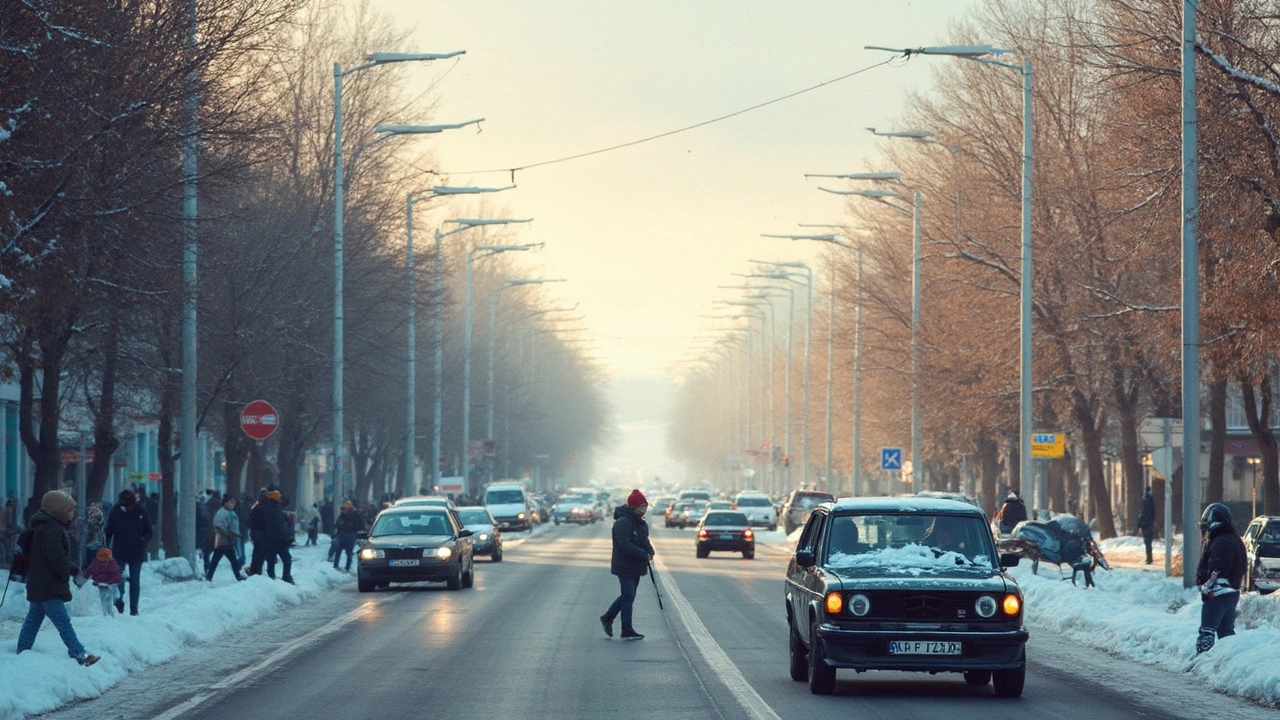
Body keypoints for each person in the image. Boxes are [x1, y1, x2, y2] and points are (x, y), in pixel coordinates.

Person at [15, 490, 100, 666]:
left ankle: (22, 653)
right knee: (63, 622)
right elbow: (56, 558)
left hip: (41, 584)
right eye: (69, 510)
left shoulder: (49, 526)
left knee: (32, 621)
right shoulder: (49, 529)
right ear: (58, 510)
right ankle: (78, 654)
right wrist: (75, 572)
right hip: (48, 585)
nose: (72, 514)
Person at [600, 489, 655, 641]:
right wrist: (642, 554)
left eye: (645, 506)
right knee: (629, 595)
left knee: (627, 596)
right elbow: (624, 544)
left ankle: (608, 617)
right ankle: (626, 628)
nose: (643, 510)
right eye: (640, 507)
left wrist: (650, 551)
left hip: (636, 565)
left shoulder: (641, 523)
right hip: (624, 565)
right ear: (632, 507)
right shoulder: (622, 523)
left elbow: (645, 541)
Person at [1194, 503, 1247, 654]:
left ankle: (1202, 661)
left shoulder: (1221, 541)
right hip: (1232, 592)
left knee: (1207, 631)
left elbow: (1218, 570)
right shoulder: (1235, 539)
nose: (1204, 531)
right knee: (1226, 634)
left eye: (1205, 527)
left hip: (1217, 593)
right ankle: (1229, 661)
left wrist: (1207, 585)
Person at [104, 489, 153, 616]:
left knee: (134, 580)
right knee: (118, 577)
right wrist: (104, 546)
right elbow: (108, 531)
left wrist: (143, 542)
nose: (127, 509)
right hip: (119, 551)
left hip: (137, 551)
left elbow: (148, 531)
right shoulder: (115, 511)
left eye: (129, 506)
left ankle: (134, 608)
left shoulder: (140, 510)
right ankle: (119, 601)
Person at [206, 494, 246, 582]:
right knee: (221, 559)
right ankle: (237, 576)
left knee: (228, 559)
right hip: (222, 540)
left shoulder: (231, 512)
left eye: (234, 502)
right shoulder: (221, 513)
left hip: (228, 540)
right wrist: (227, 533)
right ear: (226, 503)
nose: (233, 504)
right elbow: (217, 525)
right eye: (231, 502)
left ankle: (209, 576)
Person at [262, 488, 295, 583]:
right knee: (286, 558)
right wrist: (285, 536)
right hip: (278, 538)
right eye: (280, 496)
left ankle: (271, 577)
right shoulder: (275, 508)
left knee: (271, 559)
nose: (281, 498)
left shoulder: (271, 507)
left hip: (272, 538)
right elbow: (278, 524)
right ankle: (286, 576)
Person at [82, 547, 122, 617]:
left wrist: (111, 582)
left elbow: (116, 574)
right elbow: (89, 570)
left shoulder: (111, 563)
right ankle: (105, 612)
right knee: (102, 598)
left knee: (109, 599)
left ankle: (110, 613)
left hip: (110, 586)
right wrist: (83, 576)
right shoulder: (96, 562)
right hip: (100, 584)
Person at [246, 489, 277, 579]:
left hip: (257, 534)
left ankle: (255, 573)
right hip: (265, 535)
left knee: (257, 555)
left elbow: (250, 522)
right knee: (266, 555)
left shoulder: (256, 507)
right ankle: (268, 575)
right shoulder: (269, 507)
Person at [333, 501, 363, 572]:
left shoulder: (355, 515)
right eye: (345, 508)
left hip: (350, 535)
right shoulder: (343, 516)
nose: (345, 510)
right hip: (343, 535)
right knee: (339, 550)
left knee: (348, 552)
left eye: (347, 508)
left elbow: (359, 525)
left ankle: (347, 567)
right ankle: (337, 565)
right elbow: (338, 524)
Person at [1138, 486, 1156, 564]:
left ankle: (1149, 558)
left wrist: (1139, 523)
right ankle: (1149, 558)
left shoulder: (1143, 500)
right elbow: (1153, 512)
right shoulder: (1150, 500)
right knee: (1149, 541)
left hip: (1144, 524)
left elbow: (1141, 512)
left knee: (1147, 541)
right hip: (1149, 523)